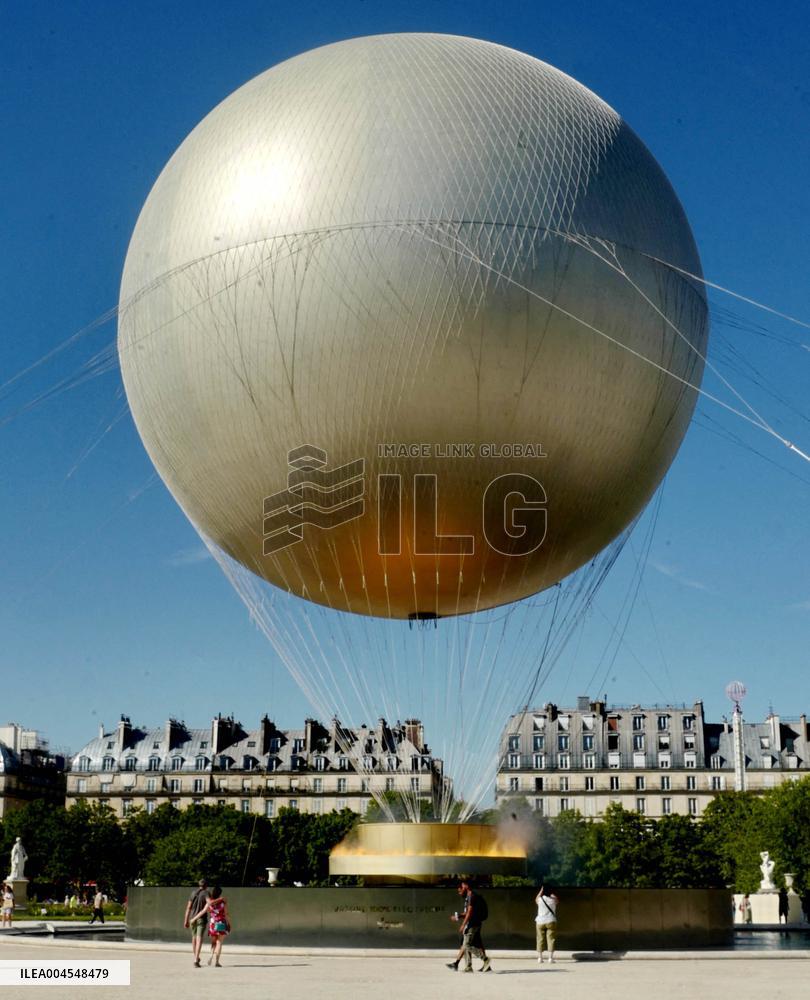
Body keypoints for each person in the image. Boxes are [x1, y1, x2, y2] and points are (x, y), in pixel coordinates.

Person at [447, 879, 491, 973]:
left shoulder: (472, 896)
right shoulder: (468, 897)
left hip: (473, 923)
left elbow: (469, 913)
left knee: (466, 945)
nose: (461, 888)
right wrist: (458, 916)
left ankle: (485, 959)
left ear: (466, 886)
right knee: (468, 943)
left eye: (462, 886)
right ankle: (468, 966)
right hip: (473, 923)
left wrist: (463, 925)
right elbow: (467, 912)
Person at [190, 885, 231, 968]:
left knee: (213, 942)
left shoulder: (210, 902)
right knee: (219, 942)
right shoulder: (223, 902)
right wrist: (229, 923)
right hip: (221, 923)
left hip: (213, 923)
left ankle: (211, 955)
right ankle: (217, 962)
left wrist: (194, 919)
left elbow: (203, 911)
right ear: (220, 894)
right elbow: (226, 914)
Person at [183, 880, 209, 968]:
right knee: (199, 939)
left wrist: (186, 920)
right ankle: (196, 960)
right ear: (206, 886)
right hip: (201, 919)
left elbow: (188, 908)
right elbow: (209, 903)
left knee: (194, 939)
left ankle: (196, 957)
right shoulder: (206, 893)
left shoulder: (193, 893)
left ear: (199, 885)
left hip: (192, 919)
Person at [535, 883, 559, 963]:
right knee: (551, 939)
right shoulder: (553, 900)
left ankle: (540, 958)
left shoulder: (540, 899)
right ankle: (550, 958)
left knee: (540, 939)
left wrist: (542, 890)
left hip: (540, 921)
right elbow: (557, 900)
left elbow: (536, 899)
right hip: (551, 921)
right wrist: (550, 892)